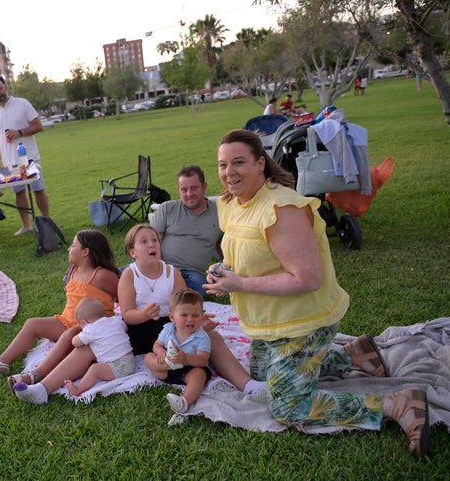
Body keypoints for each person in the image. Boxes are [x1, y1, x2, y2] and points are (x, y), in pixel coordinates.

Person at [204, 129, 429, 458]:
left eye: (239, 163)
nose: (229, 172)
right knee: (260, 374)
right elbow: (243, 250)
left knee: (287, 406)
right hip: (269, 321)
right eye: (223, 165)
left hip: (302, 320)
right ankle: (355, 355)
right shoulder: (232, 202)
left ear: (260, 164)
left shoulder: (282, 210)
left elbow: (307, 279)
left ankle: (397, 404)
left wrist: (239, 284)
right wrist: (224, 268)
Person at [120, 223, 265, 394]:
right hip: (143, 330)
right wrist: (144, 314)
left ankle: (247, 385)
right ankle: (172, 366)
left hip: (172, 323)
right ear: (132, 252)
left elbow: (185, 304)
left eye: (155, 240)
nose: (152, 244)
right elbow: (127, 314)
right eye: (144, 241)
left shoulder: (171, 272)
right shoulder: (130, 275)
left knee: (211, 336)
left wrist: (198, 319)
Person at [0, 230, 119, 383]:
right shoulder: (74, 270)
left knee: (68, 336)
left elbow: (122, 295)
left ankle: (36, 375)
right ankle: (2, 362)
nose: (68, 249)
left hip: (90, 328)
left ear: (86, 252)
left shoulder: (102, 275)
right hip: (66, 321)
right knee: (32, 323)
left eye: (73, 246)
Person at [0, 75, 50, 236]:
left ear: (6, 87)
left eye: (0, 87)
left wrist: (19, 132)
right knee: (19, 192)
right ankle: (26, 225)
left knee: (38, 189)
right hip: (10, 162)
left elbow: (38, 126)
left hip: (30, 158)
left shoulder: (22, 104)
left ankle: (47, 221)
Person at [149, 165, 222, 296]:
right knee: (118, 276)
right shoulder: (167, 209)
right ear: (178, 190)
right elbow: (151, 245)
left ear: (204, 187)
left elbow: (222, 245)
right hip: (158, 266)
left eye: (194, 188)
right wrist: (162, 269)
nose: (189, 194)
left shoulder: (219, 214)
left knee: (191, 294)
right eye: (184, 189)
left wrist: (226, 269)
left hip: (191, 274)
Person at [144, 288, 211, 414]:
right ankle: (164, 365)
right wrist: (161, 353)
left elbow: (202, 360)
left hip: (189, 369)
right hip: (166, 369)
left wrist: (185, 358)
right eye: (184, 315)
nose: (190, 319)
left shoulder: (202, 337)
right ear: (172, 317)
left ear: (202, 316)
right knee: (148, 356)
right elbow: (157, 345)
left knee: (199, 375)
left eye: (195, 315)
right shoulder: (168, 329)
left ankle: (184, 402)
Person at [59, 297, 135, 398]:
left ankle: (78, 389)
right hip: (130, 361)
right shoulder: (116, 320)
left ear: (84, 322)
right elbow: (124, 328)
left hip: (119, 367)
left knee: (95, 369)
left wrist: (79, 335)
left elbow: (75, 342)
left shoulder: (90, 330)